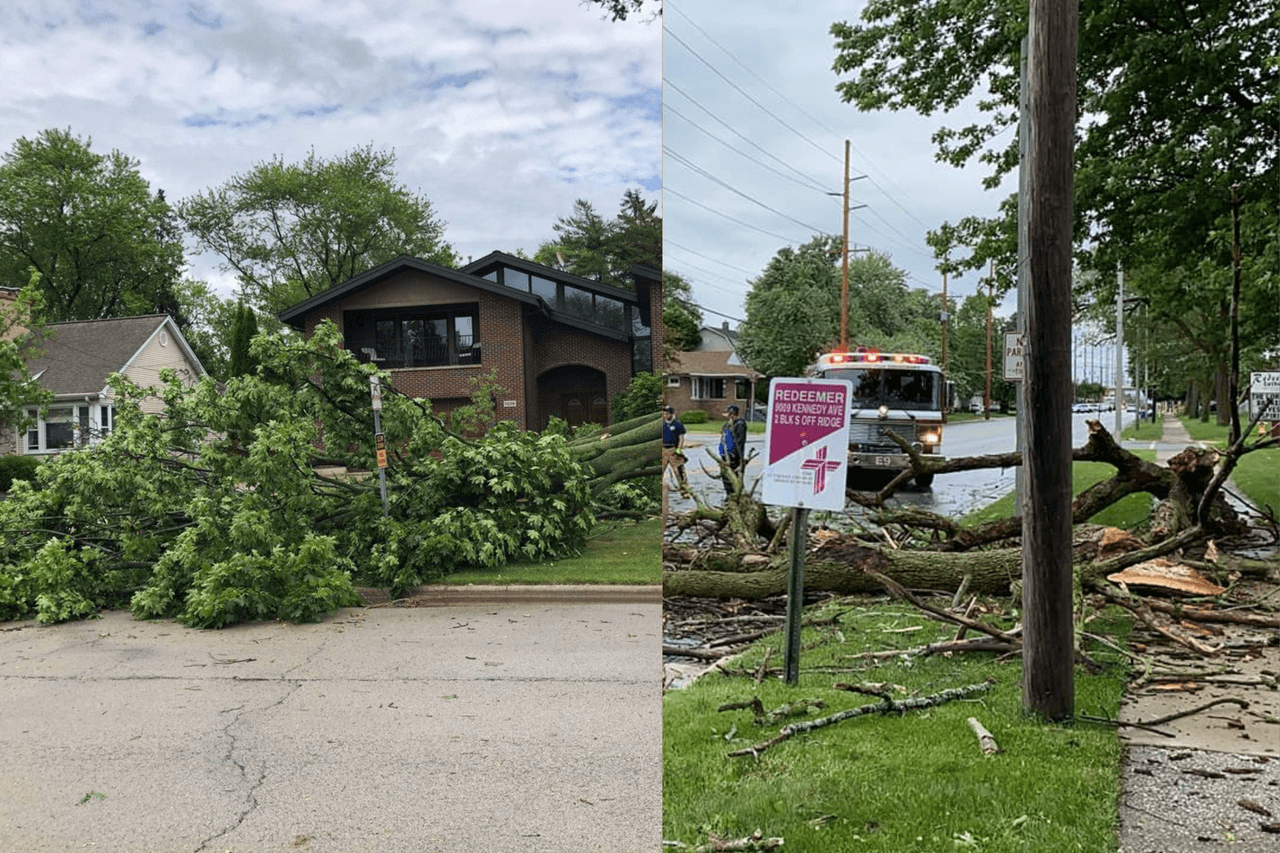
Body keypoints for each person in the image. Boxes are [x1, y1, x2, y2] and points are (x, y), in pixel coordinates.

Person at [718, 403, 748, 495]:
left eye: (728, 413)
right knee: (726, 477)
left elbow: (740, 442)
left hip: (733, 457)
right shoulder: (728, 424)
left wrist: (736, 456)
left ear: (732, 414)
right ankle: (729, 495)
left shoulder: (739, 424)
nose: (726, 415)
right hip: (725, 455)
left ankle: (734, 495)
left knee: (733, 477)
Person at [661, 405, 689, 494]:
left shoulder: (677, 424)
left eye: (667, 413)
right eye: (664, 413)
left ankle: (684, 489)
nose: (665, 415)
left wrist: (679, 449)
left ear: (672, 414)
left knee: (678, 470)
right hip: (664, 449)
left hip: (674, 448)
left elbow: (681, 437)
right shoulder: (662, 424)